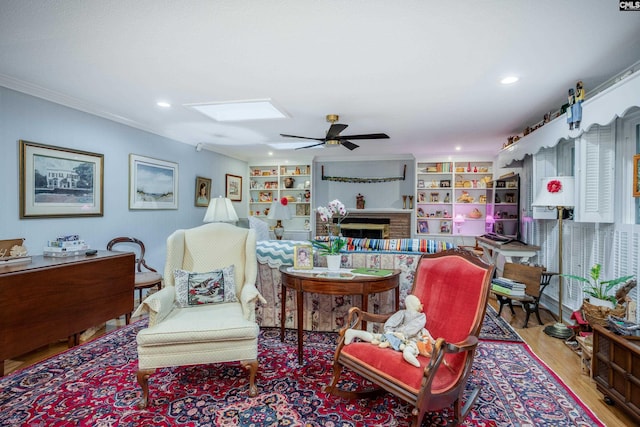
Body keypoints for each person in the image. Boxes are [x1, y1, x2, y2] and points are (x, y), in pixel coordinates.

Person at [344, 295, 431, 367]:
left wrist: (390, 331)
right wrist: (401, 334)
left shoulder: (402, 313)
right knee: (410, 346)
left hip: (394, 335)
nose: (421, 304)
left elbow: (391, 322)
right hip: (407, 338)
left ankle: (354, 332)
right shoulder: (421, 316)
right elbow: (415, 327)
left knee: (376, 337)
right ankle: (408, 353)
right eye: (418, 302)